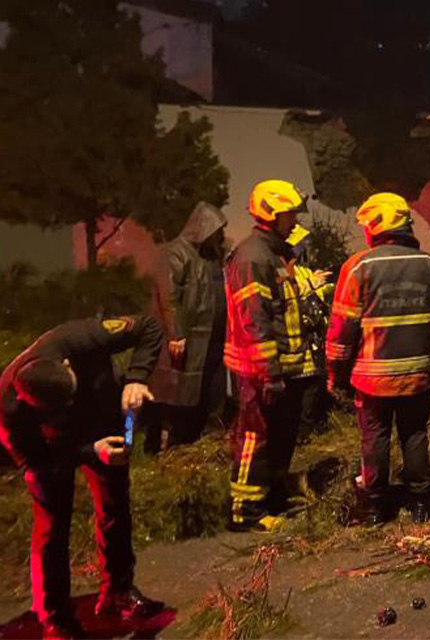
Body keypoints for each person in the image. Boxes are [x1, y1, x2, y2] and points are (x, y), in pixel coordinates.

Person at [0, 315, 165, 639]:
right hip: (55, 449)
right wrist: (90, 452)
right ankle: (54, 616)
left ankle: (118, 591)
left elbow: (149, 326)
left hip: (103, 421)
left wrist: (136, 377)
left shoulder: (80, 337)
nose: (69, 406)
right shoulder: (7, 410)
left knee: (115, 506)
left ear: (66, 364)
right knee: (51, 526)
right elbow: (35, 462)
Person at [326, 193, 430, 524]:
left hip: (372, 379)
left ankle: (373, 507)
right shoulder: (429, 266)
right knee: (415, 435)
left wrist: (336, 374)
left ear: (376, 226)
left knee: (375, 438)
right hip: (418, 374)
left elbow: (341, 331)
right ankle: (422, 503)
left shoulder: (358, 267)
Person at [223, 179, 315, 532]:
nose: (294, 221)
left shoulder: (273, 253)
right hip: (259, 370)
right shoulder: (252, 257)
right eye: (289, 215)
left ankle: (272, 497)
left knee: (279, 436)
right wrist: (268, 372)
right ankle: (246, 511)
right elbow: (254, 320)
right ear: (271, 215)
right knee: (254, 438)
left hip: (283, 366)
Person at [147, 202, 229, 452]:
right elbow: (169, 295)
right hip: (191, 338)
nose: (219, 234)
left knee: (211, 387)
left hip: (214, 337)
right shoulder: (175, 252)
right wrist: (176, 333)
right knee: (182, 391)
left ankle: (209, 435)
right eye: (216, 229)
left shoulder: (209, 256)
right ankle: (174, 442)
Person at [286, 225, 334, 441]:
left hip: (313, 334)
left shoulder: (303, 268)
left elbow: (311, 294)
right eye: (302, 243)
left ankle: (311, 424)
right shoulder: (284, 268)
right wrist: (312, 283)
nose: (306, 248)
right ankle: (301, 430)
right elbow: (290, 292)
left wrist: (326, 287)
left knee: (315, 380)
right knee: (303, 384)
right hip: (296, 335)